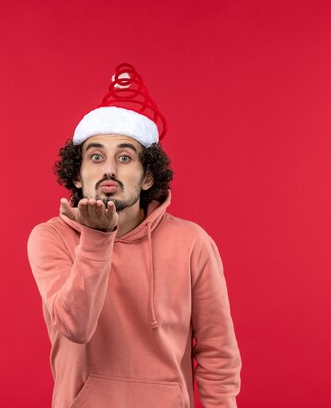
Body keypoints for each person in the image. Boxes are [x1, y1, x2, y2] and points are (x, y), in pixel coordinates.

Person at [27, 63, 241, 408]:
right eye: (95, 156)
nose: (109, 168)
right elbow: (75, 327)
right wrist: (97, 238)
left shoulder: (192, 243)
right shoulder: (51, 238)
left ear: (147, 178)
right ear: (77, 175)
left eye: (125, 157)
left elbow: (218, 350)